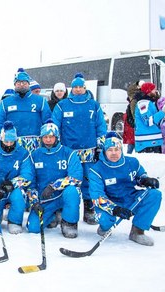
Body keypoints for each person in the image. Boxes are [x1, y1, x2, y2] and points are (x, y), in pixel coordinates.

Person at [52, 73, 107, 225]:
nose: (77, 90)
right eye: (75, 87)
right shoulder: (62, 105)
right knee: (67, 179)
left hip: (89, 150)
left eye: (80, 87)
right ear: (71, 88)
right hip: (69, 151)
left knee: (88, 180)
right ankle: (62, 208)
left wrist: (100, 146)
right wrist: (55, 145)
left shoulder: (93, 105)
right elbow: (55, 125)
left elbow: (101, 126)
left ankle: (89, 209)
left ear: (85, 88)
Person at [89, 136, 162, 246]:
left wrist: (146, 180)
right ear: (104, 151)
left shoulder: (132, 162)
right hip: (110, 201)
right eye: (110, 150)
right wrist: (115, 209)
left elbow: (140, 176)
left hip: (130, 198)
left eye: (117, 149)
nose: (114, 153)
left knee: (154, 195)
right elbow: (97, 197)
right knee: (105, 219)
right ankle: (104, 227)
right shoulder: (96, 170)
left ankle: (137, 231)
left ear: (121, 150)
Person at [26, 121, 83, 238]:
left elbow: (76, 177)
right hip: (45, 199)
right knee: (33, 228)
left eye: (51, 137)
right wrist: (34, 201)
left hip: (63, 195)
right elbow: (30, 182)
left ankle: (69, 222)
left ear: (57, 137)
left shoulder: (68, 153)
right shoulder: (34, 155)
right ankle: (53, 215)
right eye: (45, 137)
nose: (48, 140)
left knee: (72, 191)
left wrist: (54, 186)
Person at [0, 69, 51, 153]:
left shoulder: (40, 101)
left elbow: (47, 122)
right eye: (19, 83)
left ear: (28, 84)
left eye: (24, 83)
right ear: (15, 84)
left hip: (35, 142)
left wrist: (47, 139)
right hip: (13, 142)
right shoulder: (6, 102)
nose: (21, 85)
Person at [134, 82, 165, 153]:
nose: (156, 91)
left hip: (152, 142)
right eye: (154, 89)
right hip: (147, 143)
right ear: (148, 91)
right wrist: (163, 112)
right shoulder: (143, 103)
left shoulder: (149, 102)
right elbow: (148, 121)